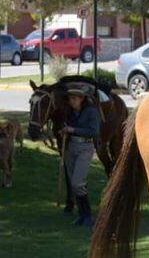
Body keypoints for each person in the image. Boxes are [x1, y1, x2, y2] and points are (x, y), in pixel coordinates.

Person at [61, 85, 100, 227]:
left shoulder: (91, 112)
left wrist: (73, 129)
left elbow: (94, 132)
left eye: (74, 98)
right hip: (71, 147)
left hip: (85, 147)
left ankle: (88, 214)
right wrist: (65, 131)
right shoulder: (70, 112)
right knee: (74, 184)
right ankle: (82, 215)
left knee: (78, 182)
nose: (71, 101)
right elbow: (68, 126)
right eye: (70, 98)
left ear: (82, 99)